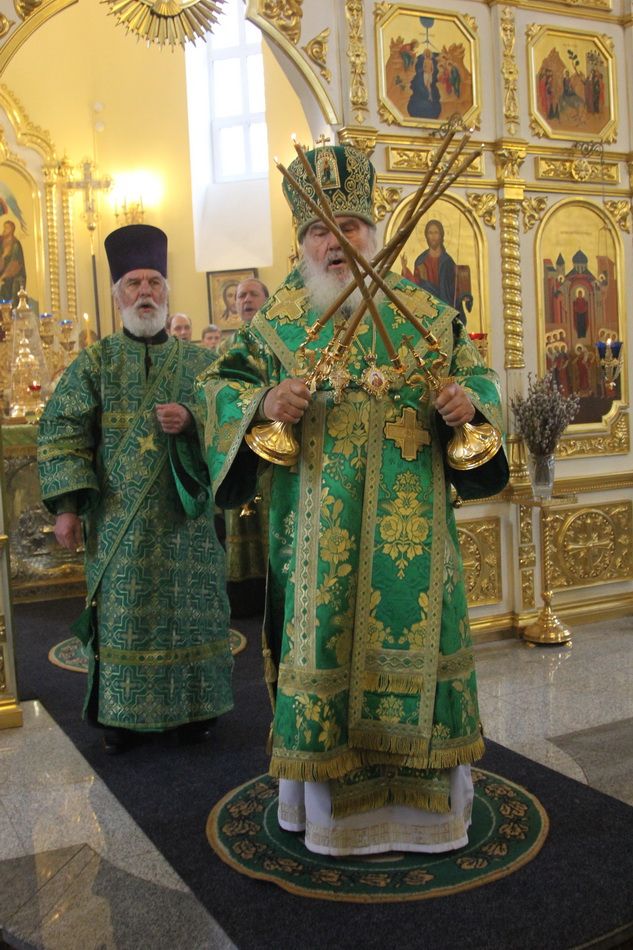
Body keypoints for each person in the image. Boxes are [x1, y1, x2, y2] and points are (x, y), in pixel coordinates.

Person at [195, 144, 507, 855]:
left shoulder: (428, 315)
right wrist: (263, 402)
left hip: (415, 540)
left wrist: (469, 404)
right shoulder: (277, 324)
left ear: (373, 231)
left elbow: (482, 383)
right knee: (324, 652)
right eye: (319, 231)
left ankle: (431, 821)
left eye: (350, 226)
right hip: (315, 546)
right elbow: (217, 387)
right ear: (301, 243)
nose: (335, 243)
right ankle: (330, 823)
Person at [38, 224, 233, 754]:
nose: (144, 292)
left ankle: (197, 712)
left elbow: (233, 420)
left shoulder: (202, 363)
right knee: (124, 619)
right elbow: (62, 430)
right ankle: (122, 717)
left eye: (153, 282)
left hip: (186, 522)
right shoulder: (95, 363)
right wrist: (67, 507)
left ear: (166, 291)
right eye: (133, 283)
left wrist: (192, 419)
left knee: (192, 618)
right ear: (117, 295)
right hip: (118, 523)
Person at [0, 220, 26, 305]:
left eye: (6, 228)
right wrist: (3, 256)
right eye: (4, 228)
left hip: (13, 278)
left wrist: (3, 276)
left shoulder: (15, 245)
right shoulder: (1, 242)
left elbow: (15, 265)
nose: (4, 230)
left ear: (11, 230)